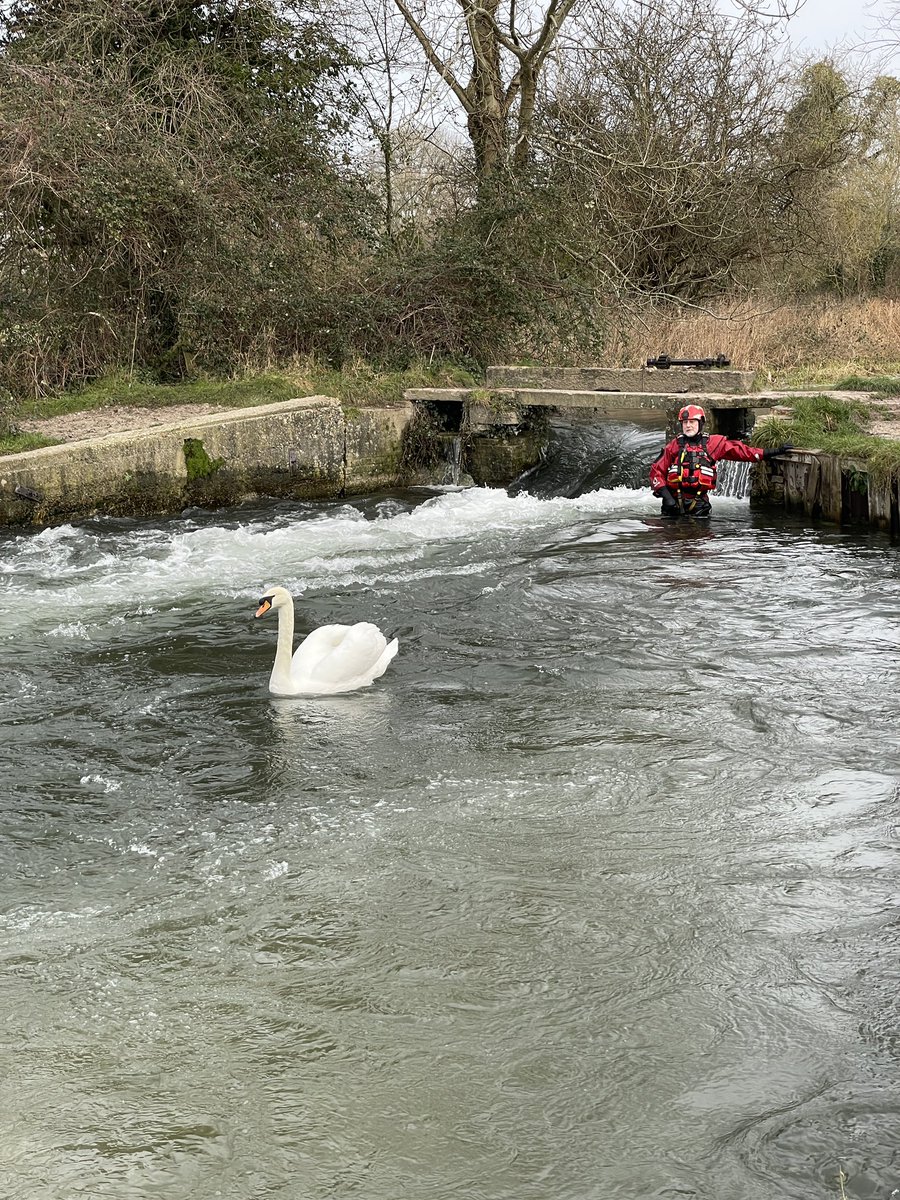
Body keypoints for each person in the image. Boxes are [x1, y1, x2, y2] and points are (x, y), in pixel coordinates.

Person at [649, 404, 793, 518]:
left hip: (699, 505)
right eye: (685, 422)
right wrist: (667, 498)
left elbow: (744, 452)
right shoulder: (673, 446)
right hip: (673, 504)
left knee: (699, 545)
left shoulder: (714, 443)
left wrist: (773, 451)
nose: (688, 425)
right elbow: (656, 471)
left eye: (692, 422)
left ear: (701, 423)